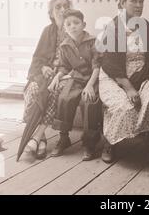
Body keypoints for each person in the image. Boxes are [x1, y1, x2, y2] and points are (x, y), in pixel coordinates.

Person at [26, 9, 102, 161]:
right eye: (68, 24)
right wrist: (57, 77)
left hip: (93, 79)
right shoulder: (64, 45)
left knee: (89, 101)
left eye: (76, 23)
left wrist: (89, 85)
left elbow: (97, 66)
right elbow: (64, 66)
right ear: (64, 28)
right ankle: (64, 137)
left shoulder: (93, 41)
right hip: (76, 78)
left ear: (83, 24)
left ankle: (89, 143)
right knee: (64, 98)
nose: (73, 26)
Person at [98, 0, 149, 164]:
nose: (138, 5)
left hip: (140, 75)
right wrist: (130, 88)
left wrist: (145, 73)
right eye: (133, 1)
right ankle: (109, 143)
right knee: (124, 106)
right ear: (122, 3)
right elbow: (110, 64)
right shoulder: (113, 27)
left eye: (141, 1)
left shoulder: (145, 26)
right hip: (114, 77)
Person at [23, 0, 71, 159]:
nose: (63, 10)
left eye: (65, 6)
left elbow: (80, 61)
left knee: (54, 91)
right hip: (47, 74)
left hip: (65, 76)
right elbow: (37, 58)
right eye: (58, 7)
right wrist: (43, 67)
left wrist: (60, 73)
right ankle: (41, 139)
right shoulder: (47, 31)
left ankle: (36, 137)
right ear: (51, 13)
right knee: (32, 89)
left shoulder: (74, 28)